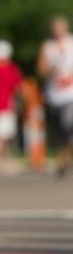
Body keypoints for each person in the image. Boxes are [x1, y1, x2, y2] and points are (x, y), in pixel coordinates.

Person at [37, 15, 73, 177]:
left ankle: (62, 158)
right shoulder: (48, 46)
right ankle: (65, 156)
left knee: (68, 125)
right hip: (55, 94)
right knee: (60, 129)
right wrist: (54, 67)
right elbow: (42, 70)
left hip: (71, 94)